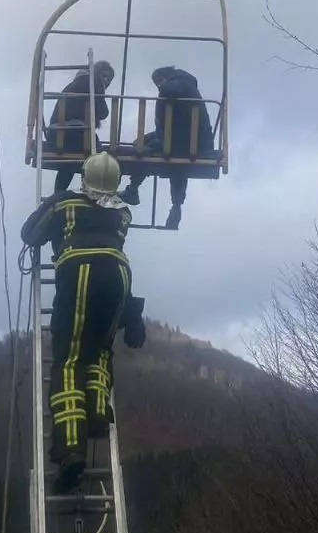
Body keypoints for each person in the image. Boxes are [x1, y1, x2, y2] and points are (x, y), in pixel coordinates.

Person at [20, 151, 135, 493]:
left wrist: (52, 204)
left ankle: (71, 449)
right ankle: (97, 410)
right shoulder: (123, 213)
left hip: (81, 274)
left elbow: (30, 234)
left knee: (69, 359)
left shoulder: (65, 204)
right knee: (100, 348)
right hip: (119, 277)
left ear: (84, 177)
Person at [121, 66, 214, 230]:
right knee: (164, 158)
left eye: (158, 81)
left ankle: (133, 189)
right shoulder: (187, 85)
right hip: (190, 138)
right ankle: (174, 204)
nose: (158, 86)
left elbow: (169, 94)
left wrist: (159, 141)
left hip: (184, 139)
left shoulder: (178, 84)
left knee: (143, 150)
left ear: (166, 76)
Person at [45, 60, 115, 194]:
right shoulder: (94, 81)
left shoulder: (74, 84)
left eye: (109, 79)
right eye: (104, 76)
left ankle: (59, 194)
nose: (106, 81)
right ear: (97, 72)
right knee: (100, 158)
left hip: (56, 133)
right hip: (75, 131)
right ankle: (92, 192)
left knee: (70, 162)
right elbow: (103, 112)